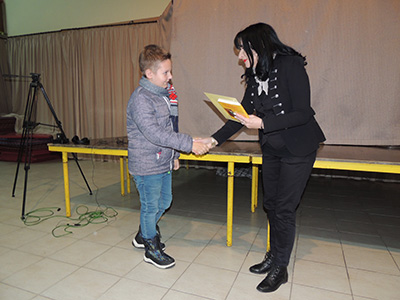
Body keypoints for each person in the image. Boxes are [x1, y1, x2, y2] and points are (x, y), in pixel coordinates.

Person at [203, 23, 325, 292]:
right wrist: (212, 140)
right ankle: (274, 254)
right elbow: (240, 118)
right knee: (270, 204)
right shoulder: (256, 75)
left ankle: (280, 267)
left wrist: (264, 124)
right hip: (272, 148)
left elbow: (303, 113)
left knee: (284, 208)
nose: (240, 58)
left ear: (257, 47)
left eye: (242, 51)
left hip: (298, 147)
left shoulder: (291, 65)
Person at [127, 44, 210, 269]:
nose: (170, 76)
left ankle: (142, 234)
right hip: (146, 164)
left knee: (165, 201)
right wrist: (189, 144)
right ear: (149, 74)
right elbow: (154, 133)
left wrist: (174, 154)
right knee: (151, 206)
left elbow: (169, 128)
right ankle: (150, 249)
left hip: (162, 159)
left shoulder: (163, 94)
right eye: (166, 72)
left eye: (170, 71)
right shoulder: (141, 99)